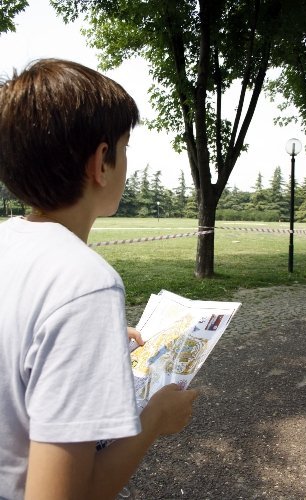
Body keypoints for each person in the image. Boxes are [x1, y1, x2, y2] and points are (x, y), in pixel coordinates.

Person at [0, 59, 198, 499]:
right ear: (101, 162)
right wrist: (155, 421)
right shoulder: (85, 283)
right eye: (124, 148)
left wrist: (91, 338)